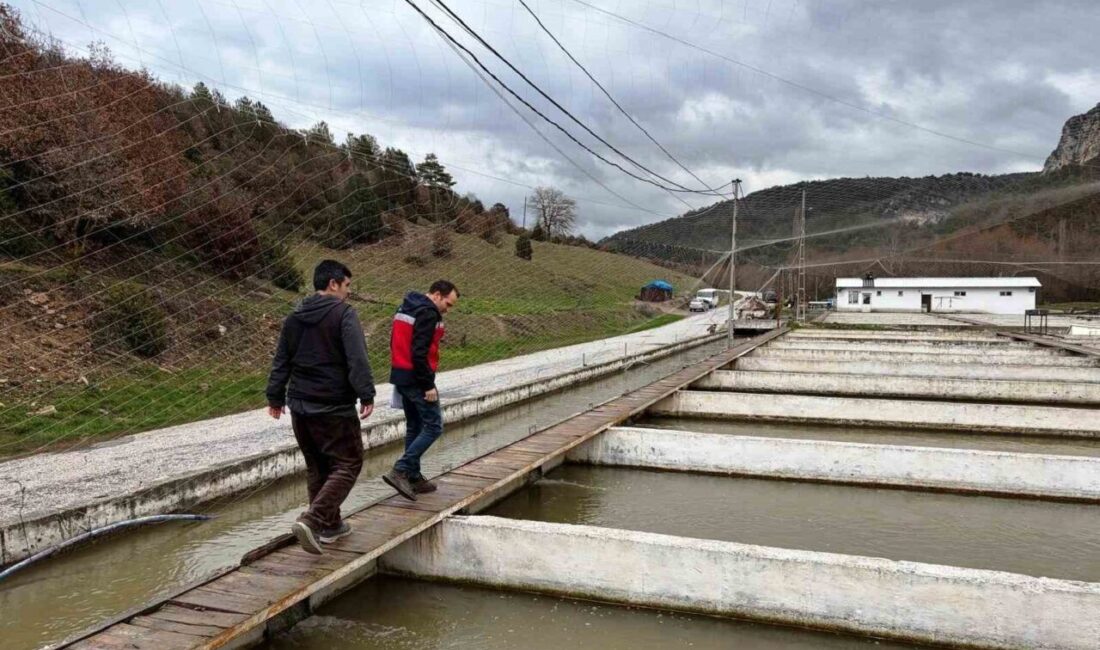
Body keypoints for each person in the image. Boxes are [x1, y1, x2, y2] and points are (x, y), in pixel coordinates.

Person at [266, 260, 376, 554]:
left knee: (318, 468)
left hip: (300, 407)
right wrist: (366, 394)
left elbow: (281, 361)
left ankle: (330, 526)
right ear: (333, 284)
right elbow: (358, 359)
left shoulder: (294, 317)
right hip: (333, 406)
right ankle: (313, 520)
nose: (349, 292)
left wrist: (275, 397)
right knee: (348, 463)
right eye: (347, 285)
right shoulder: (344, 314)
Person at [383, 279, 459, 500]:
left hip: (402, 374)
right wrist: (427, 385)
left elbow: (396, 342)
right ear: (436, 295)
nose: (447, 309)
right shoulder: (428, 312)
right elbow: (419, 352)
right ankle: (401, 469)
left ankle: (413, 477)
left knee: (414, 425)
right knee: (434, 426)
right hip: (417, 378)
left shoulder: (406, 307)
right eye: (448, 303)